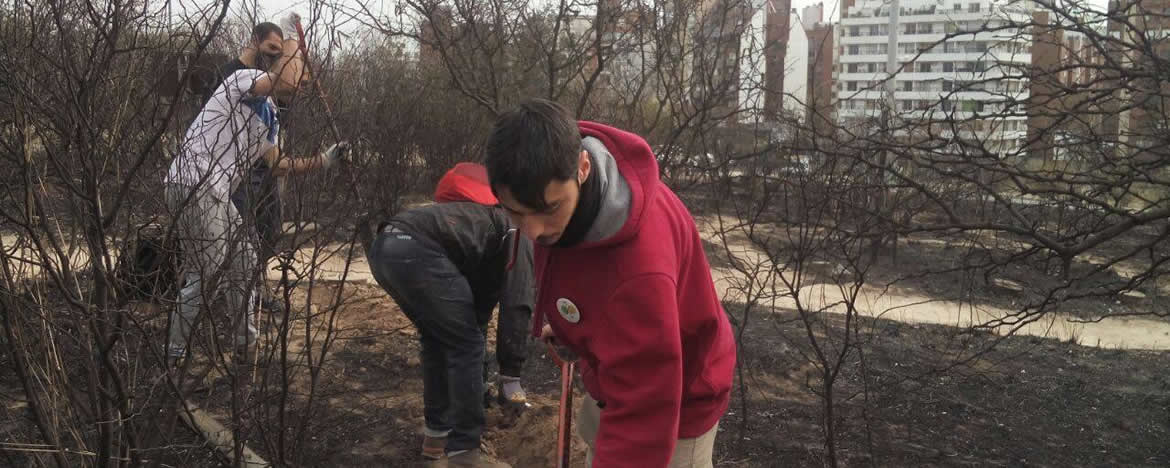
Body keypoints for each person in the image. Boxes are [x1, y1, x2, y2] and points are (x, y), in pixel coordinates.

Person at [483, 98, 737, 467]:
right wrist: (574, 327)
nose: (534, 231)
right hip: (613, 380)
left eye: (549, 210)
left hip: (676, 404)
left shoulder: (639, 271)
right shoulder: (560, 181)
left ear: (583, 168)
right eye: (516, 213)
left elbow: (646, 409)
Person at [165, 27, 348, 364]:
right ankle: (173, 353)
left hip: (214, 191)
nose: (301, 83)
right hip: (193, 183)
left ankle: (244, 345)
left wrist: (323, 160)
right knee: (206, 272)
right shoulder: (244, 80)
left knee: (245, 261)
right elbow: (280, 82)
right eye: (298, 71)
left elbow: (277, 165)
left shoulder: (270, 116)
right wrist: (293, 45)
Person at [366, 163, 532, 468]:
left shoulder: (471, 228)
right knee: (464, 345)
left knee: (437, 339)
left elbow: (476, 312)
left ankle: (436, 440)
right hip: (416, 250)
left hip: (385, 246)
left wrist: (479, 384)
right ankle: (466, 453)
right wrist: (511, 377)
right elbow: (517, 301)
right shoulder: (517, 228)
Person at [197, 18, 302, 314]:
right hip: (234, 171)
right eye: (270, 48)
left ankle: (254, 291)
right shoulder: (229, 75)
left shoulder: (268, 78)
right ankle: (228, 297)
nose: (273, 55)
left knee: (269, 231)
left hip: (264, 166)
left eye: (278, 51)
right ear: (255, 40)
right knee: (239, 237)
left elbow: (285, 97)